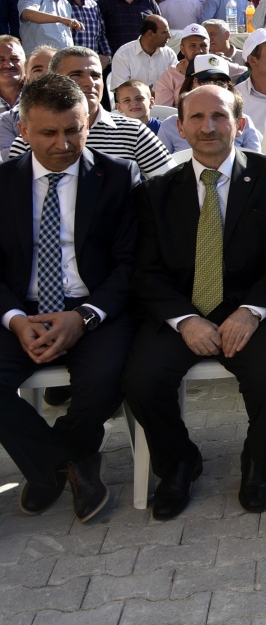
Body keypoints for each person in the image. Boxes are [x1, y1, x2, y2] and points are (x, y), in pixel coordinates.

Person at [123, 85, 266, 519]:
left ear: (240, 125)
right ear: (180, 127)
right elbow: (145, 271)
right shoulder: (155, 191)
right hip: (184, 313)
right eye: (197, 118)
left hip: (250, 309)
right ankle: (179, 461)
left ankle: (258, 459)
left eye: (219, 116)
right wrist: (184, 321)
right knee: (140, 381)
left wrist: (251, 312)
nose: (208, 127)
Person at [0, 74, 141, 522]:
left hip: (94, 309)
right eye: (48, 132)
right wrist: (17, 320)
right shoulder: (3, 183)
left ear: (87, 124)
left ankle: (49, 468)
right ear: (23, 130)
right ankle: (64, 464)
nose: (63, 143)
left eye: (73, 130)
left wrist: (83, 316)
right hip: (23, 309)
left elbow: (130, 264)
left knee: (107, 379)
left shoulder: (117, 177)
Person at [9, 47, 170, 177]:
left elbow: (171, 185)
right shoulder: (27, 141)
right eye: (76, 75)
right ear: (54, 80)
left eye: (96, 75)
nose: (89, 83)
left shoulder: (133, 132)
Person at [109, 15, 176, 92]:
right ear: (150, 33)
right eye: (164, 32)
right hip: (135, 103)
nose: (169, 36)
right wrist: (145, 96)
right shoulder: (123, 55)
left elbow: (176, 84)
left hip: (165, 103)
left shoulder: (169, 54)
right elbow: (121, 92)